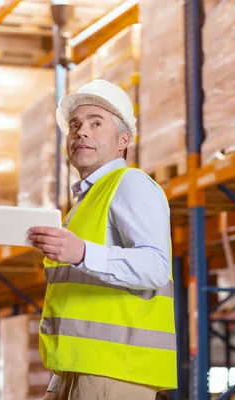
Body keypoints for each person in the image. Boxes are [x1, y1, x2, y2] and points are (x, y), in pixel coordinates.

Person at [28, 80, 177, 400]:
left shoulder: (131, 184)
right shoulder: (84, 205)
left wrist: (82, 252)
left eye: (96, 123)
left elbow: (155, 268)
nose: (82, 132)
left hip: (116, 373)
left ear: (123, 140)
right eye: (75, 125)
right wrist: (58, 383)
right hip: (79, 373)